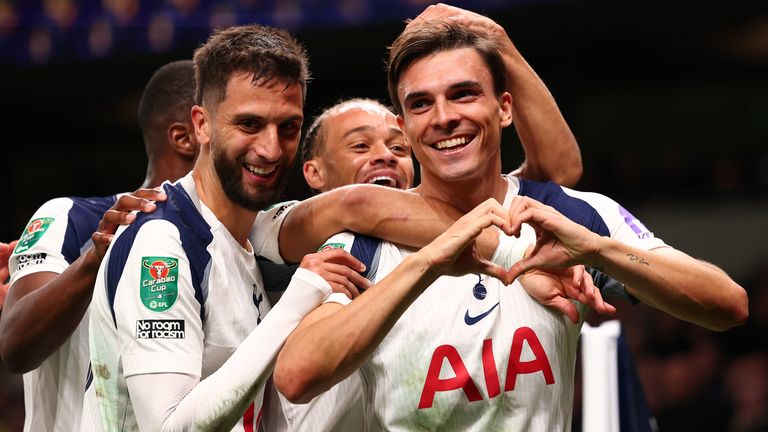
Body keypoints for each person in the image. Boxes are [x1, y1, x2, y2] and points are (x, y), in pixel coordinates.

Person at [274, 4, 748, 431]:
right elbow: (296, 376)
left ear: (503, 109)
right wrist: (427, 263)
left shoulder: (565, 213)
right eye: (421, 104)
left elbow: (727, 305)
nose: (443, 117)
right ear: (404, 126)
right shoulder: (366, 240)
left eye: (463, 94)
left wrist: (598, 249)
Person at [0, 60, 198, 432]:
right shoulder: (70, 217)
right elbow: (16, 344)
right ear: (188, 134)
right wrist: (96, 259)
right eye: (242, 124)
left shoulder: (240, 243)